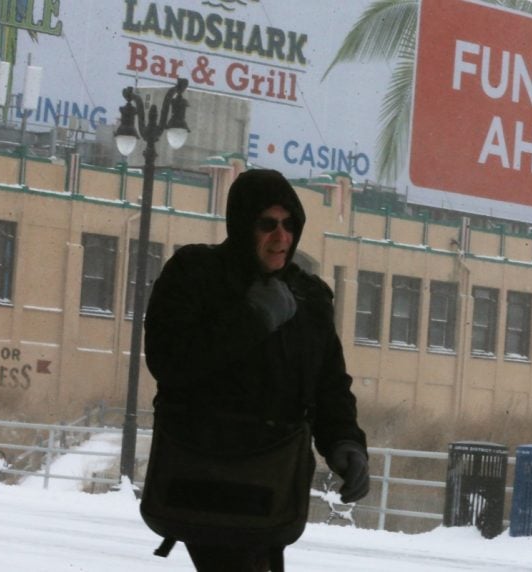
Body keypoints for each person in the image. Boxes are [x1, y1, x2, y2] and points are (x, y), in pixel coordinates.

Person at [143, 168, 370, 571]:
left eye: (288, 224)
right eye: (267, 224)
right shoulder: (196, 274)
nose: (281, 237)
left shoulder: (309, 297)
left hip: (271, 481)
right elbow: (171, 362)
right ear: (242, 224)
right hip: (204, 472)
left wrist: (344, 443)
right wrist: (252, 319)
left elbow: (328, 384)